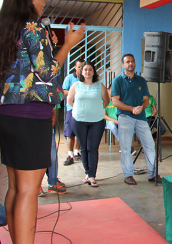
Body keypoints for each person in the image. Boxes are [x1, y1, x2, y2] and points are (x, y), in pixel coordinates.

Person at [0, 0, 85, 244]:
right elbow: (47, 73)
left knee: (17, 189)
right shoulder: (34, 29)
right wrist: (68, 45)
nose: (43, 2)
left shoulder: (3, 30)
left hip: (5, 115)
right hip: (29, 118)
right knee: (29, 191)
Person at [111, 54, 161, 185]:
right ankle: (128, 175)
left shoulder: (141, 80)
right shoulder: (118, 81)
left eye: (132, 61)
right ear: (123, 65)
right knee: (126, 147)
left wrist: (141, 108)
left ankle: (152, 174)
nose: (130, 64)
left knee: (149, 145)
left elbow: (146, 100)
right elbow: (115, 101)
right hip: (125, 117)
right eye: (127, 62)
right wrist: (131, 108)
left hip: (141, 118)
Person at [67, 61, 110, 187]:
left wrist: (97, 109)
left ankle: (92, 176)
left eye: (90, 69)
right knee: (83, 147)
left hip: (96, 121)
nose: (87, 72)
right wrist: (78, 109)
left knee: (93, 148)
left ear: (93, 71)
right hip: (79, 121)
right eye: (85, 69)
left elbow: (106, 100)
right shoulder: (76, 85)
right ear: (81, 72)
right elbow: (70, 100)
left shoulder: (99, 86)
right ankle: (87, 173)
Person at [62, 58, 83, 165]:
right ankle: (69, 155)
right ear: (75, 67)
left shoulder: (86, 78)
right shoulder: (69, 78)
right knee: (70, 133)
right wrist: (73, 92)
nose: (81, 69)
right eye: (79, 67)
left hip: (83, 109)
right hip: (71, 109)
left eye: (82, 66)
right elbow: (63, 91)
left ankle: (76, 152)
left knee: (80, 132)